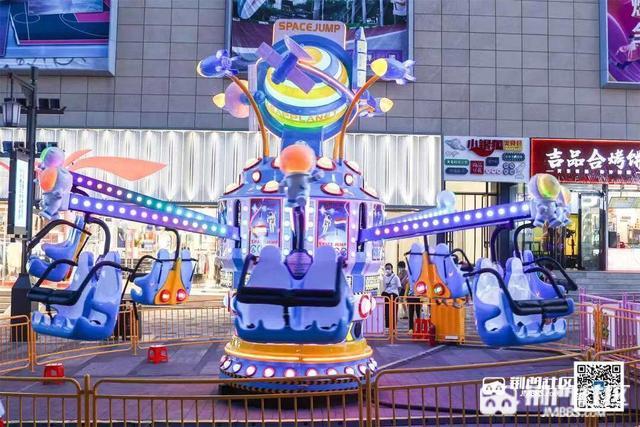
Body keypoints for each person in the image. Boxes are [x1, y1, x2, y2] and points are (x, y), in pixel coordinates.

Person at [381, 262, 400, 329]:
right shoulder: (384, 277)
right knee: (387, 311)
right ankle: (388, 326)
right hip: (387, 296)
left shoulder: (395, 277)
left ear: (392, 269)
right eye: (386, 268)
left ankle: (394, 327)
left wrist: (398, 295)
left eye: (389, 268)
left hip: (394, 295)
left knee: (393, 311)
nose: (387, 270)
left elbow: (399, 287)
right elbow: (384, 287)